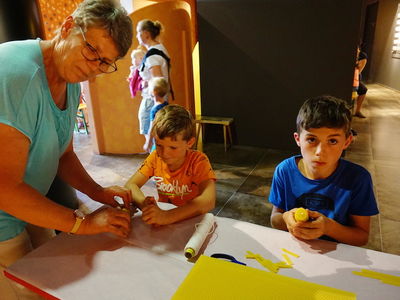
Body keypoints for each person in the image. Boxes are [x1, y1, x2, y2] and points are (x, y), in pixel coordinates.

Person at [0, 1, 133, 298]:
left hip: (30, 207)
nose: (93, 69)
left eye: (104, 63)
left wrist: (98, 192)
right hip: (3, 220)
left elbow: (63, 153)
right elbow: (4, 188)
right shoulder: (16, 74)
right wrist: (83, 223)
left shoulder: (71, 79)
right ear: (68, 27)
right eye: (92, 51)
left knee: (57, 281)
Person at [269, 95, 378, 246]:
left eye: (332, 141)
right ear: (298, 139)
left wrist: (328, 228)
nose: (320, 152)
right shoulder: (284, 171)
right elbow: (275, 219)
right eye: (312, 139)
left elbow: (361, 237)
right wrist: (286, 219)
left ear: (346, 142)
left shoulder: (358, 179)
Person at [125, 105, 216, 226]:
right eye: (159, 145)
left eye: (173, 147)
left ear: (189, 142)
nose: (164, 153)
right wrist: (145, 205)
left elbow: (209, 200)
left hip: (191, 221)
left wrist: (167, 216)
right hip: (165, 219)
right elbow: (130, 185)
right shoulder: (155, 158)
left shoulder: (198, 161)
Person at [136, 19, 171, 151]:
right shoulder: (161, 49)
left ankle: (155, 163)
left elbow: (157, 80)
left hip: (152, 100)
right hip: (160, 98)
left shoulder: (152, 55)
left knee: (152, 136)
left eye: (138, 33)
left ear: (146, 34)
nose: (137, 36)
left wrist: (144, 82)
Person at [143, 76, 169, 153]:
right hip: (166, 138)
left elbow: (152, 128)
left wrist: (148, 143)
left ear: (153, 92)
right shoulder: (166, 104)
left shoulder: (155, 109)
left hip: (158, 141)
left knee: (155, 159)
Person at [354, 46, 368, 118]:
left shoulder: (362, 56)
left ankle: (357, 111)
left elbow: (359, 71)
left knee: (363, 90)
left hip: (355, 78)